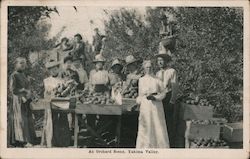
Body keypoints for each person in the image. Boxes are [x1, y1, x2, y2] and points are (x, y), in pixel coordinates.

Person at [136, 60, 169, 148]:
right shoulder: (141, 80)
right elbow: (140, 95)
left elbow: (163, 93)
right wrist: (139, 100)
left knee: (157, 125)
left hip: (156, 105)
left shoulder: (157, 80)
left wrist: (155, 98)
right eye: (147, 67)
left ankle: (159, 147)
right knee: (146, 125)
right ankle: (145, 147)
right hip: (145, 106)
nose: (149, 69)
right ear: (144, 68)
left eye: (150, 67)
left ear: (153, 68)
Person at [9, 57, 36, 147]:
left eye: (24, 63)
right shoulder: (14, 75)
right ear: (16, 64)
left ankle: (28, 139)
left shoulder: (24, 75)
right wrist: (23, 90)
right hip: (18, 100)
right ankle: (22, 140)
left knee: (27, 119)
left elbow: (28, 87)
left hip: (25, 100)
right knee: (21, 119)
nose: (23, 65)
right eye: (21, 63)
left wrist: (29, 93)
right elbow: (12, 89)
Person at [155, 51, 178, 148]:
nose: (160, 62)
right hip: (160, 98)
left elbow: (175, 87)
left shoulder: (172, 71)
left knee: (168, 121)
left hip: (168, 98)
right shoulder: (157, 73)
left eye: (162, 60)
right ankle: (160, 143)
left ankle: (169, 145)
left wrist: (172, 100)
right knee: (159, 121)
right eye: (158, 60)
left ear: (166, 61)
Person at [41, 60, 63, 147]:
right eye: (52, 69)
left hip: (60, 103)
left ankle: (60, 140)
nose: (54, 71)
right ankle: (50, 140)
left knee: (61, 120)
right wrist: (56, 89)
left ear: (58, 69)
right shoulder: (46, 80)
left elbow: (62, 92)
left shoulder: (61, 80)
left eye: (55, 69)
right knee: (50, 121)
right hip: (50, 103)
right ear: (49, 71)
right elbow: (48, 91)